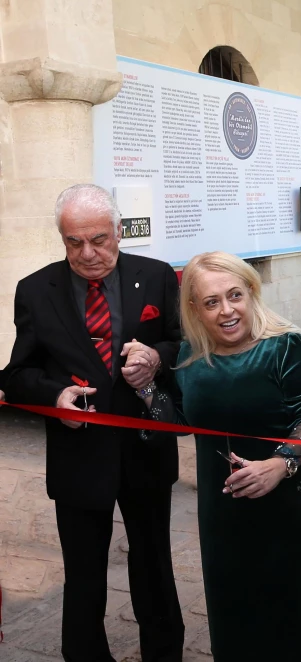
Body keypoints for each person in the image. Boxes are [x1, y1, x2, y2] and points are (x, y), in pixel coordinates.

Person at [127, 251, 301, 661]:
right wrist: (144, 388)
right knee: (238, 622)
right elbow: (176, 420)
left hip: (288, 509)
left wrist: (279, 464)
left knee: (288, 628)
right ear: (194, 308)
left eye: (235, 295)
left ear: (251, 291)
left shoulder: (285, 346)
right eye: (212, 302)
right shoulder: (189, 357)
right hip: (224, 514)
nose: (227, 310)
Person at [4, 184, 185, 661]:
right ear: (62, 239)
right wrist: (55, 395)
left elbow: (181, 344)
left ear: (120, 231)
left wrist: (156, 360)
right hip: (78, 456)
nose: (87, 253)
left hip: (145, 448)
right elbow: (18, 374)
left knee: (153, 567)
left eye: (99, 239)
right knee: (82, 575)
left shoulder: (158, 276)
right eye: (73, 242)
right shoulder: (35, 289)